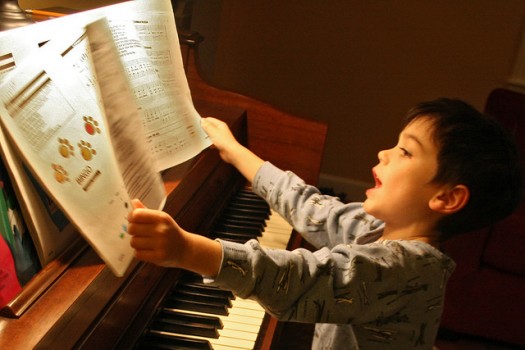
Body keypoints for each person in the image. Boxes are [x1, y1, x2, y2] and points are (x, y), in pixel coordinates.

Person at [128, 98, 522, 349]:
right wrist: (237, 153)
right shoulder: (376, 227)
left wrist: (187, 250)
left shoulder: (402, 269)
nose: (384, 153)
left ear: (447, 198)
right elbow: (311, 207)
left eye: (405, 151)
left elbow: (303, 279)